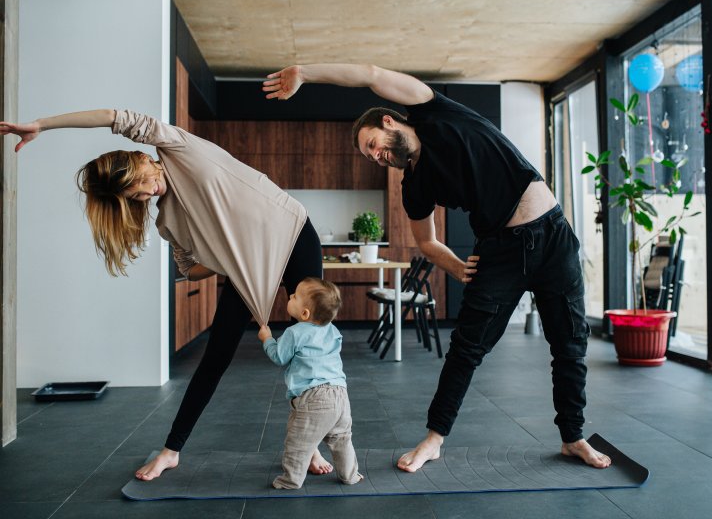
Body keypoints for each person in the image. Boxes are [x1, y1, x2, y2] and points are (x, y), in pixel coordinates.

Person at [262, 64, 612, 472]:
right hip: (499, 251)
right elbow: (425, 241)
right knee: (465, 349)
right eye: (370, 155)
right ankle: (434, 440)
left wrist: (305, 72)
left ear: (390, 121)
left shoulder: (435, 112)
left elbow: (372, 73)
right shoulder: (414, 186)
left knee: (570, 345)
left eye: (373, 143)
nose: (376, 156)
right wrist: (459, 267)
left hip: (553, 237)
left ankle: (573, 437)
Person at [0, 109, 336, 480]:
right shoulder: (166, 220)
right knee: (216, 357)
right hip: (247, 270)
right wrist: (224, 258)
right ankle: (171, 450)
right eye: (134, 195)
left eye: (138, 182)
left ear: (143, 158)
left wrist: (43, 125)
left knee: (308, 348)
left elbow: (114, 116)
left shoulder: (178, 147)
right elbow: (190, 268)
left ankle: (310, 444)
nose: (144, 192)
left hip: (293, 234)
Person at [258, 277, 363, 489]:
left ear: (304, 313)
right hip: (340, 394)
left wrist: (267, 339)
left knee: (298, 442)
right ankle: (350, 475)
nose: (290, 296)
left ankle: (291, 480)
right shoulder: (333, 330)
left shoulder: (294, 332)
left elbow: (279, 357)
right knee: (342, 439)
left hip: (314, 397)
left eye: (295, 296)